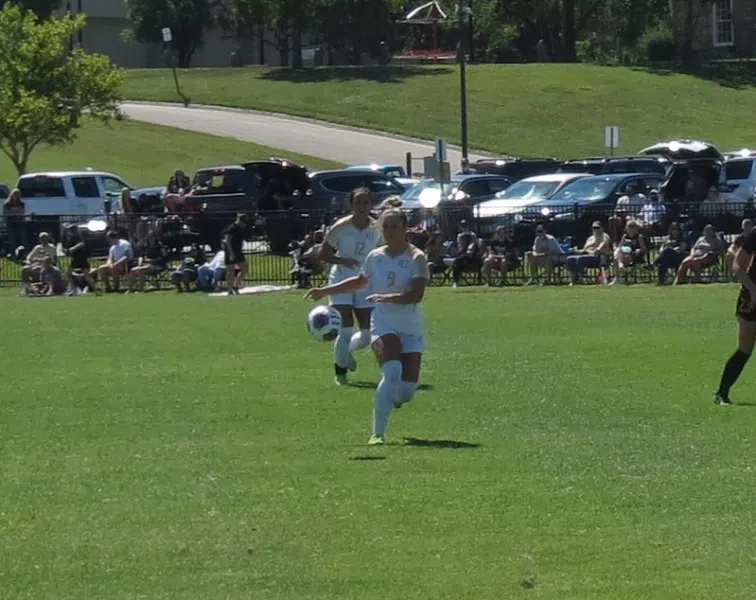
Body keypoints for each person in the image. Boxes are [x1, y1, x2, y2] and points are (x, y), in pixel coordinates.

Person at [306, 208, 428, 445]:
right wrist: (324, 291)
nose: (390, 231)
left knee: (406, 392)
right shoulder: (375, 256)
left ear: (405, 229)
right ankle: (378, 434)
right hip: (383, 324)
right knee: (391, 371)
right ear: (380, 230)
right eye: (386, 227)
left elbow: (417, 295)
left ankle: (394, 398)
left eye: (395, 226)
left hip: (411, 327)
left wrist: (388, 297)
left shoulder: (416, 258)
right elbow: (359, 282)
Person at [318, 187, 380, 385]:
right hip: (341, 281)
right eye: (358, 203)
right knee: (344, 330)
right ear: (351, 205)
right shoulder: (341, 227)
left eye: (365, 202)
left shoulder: (377, 228)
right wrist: (343, 261)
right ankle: (340, 374)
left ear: (371, 204)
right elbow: (323, 253)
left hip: (365, 283)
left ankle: (345, 353)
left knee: (367, 333)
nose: (362, 206)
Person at [714, 225, 756, 405]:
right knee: (745, 349)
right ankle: (721, 394)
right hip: (751, 298)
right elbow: (738, 265)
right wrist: (753, 290)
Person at [224, 213, 248, 295]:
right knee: (230, 270)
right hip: (230, 251)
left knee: (245, 269)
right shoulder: (232, 228)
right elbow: (227, 241)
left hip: (238, 251)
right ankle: (229, 290)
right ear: (239, 220)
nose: (244, 224)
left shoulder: (241, 228)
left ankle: (235, 285)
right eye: (243, 222)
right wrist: (231, 253)